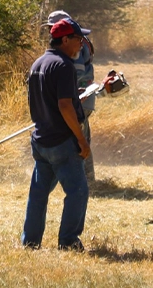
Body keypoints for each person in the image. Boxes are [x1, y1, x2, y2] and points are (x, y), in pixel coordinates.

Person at [21, 18, 114, 252]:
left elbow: (49, 98)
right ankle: (69, 241)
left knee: (39, 194)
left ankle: (30, 242)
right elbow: (64, 106)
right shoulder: (63, 66)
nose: (82, 44)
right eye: (78, 39)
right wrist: (81, 140)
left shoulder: (38, 64)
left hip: (41, 140)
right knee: (78, 191)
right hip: (62, 142)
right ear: (65, 39)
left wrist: (83, 92)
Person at [45, 11, 98, 183]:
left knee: (78, 140)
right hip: (80, 99)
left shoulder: (75, 46)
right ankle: (86, 180)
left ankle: (85, 181)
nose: (49, 32)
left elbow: (73, 74)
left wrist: (66, 96)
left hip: (77, 99)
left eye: (51, 28)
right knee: (80, 138)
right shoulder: (76, 42)